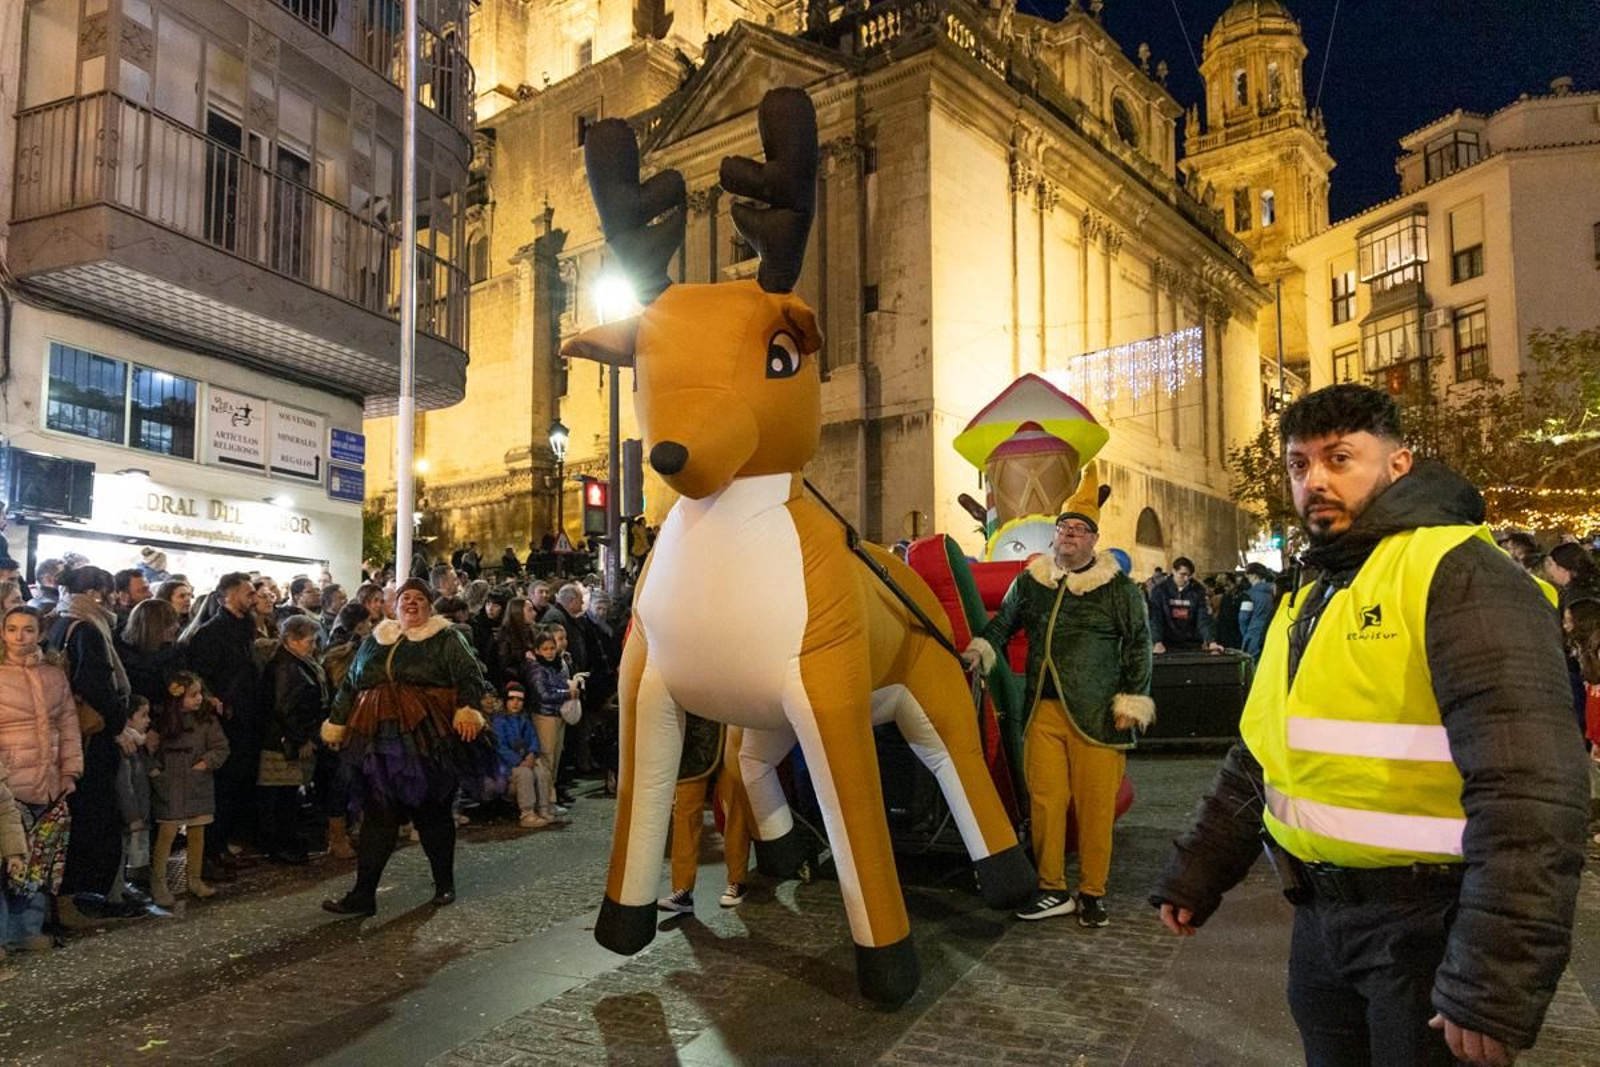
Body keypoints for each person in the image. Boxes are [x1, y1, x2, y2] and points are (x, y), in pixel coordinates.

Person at [1149, 384, 1586, 1067]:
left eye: (1340, 458)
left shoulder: (1460, 573)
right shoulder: (1318, 586)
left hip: (1429, 929)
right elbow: (1264, 752)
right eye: (1299, 465)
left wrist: (1491, 979)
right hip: (1323, 923)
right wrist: (1198, 869)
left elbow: (1530, 789)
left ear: (1399, 463)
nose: (1315, 480)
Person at [963, 497, 1153, 925]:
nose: (1069, 534)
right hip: (1042, 711)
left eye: (1078, 529)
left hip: (1097, 714)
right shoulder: (1032, 582)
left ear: (1094, 540)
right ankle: (1052, 888)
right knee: (1045, 802)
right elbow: (1004, 622)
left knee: (1095, 807)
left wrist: (1131, 700)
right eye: (1064, 527)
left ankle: (1093, 892)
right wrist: (980, 649)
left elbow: (1139, 645)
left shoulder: (1119, 589)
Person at [319, 578, 493, 916]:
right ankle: (363, 894)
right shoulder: (375, 640)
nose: (411, 603)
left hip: (426, 738)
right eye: (405, 598)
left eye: (419, 598)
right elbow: (351, 685)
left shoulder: (446, 638)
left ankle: (444, 883)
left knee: (432, 811)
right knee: (378, 814)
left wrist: (468, 709)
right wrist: (337, 722)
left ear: (429, 605)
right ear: (394, 606)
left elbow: (470, 677)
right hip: (379, 739)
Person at [49, 567, 143, 919]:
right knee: (96, 814)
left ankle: (79, 895)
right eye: (111, 591)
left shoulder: (60, 621)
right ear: (96, 593)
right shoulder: (87, 627)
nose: (116, 599)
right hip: (92, 736)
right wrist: (118, 724)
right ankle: (85, 896)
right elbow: (95, 682)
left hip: (71, 733)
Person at [0, 605, 81, 951]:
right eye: (12, 629)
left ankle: (28, 929)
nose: (20, 637)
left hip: (48, 783)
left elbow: (68, 724)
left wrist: (70, 770)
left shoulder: (54, 676)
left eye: (28, 629)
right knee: (9, 859)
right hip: (8, 782)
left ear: (40, 634)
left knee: (39, 859)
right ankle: (5, 934)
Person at [183, 573, 260, 883]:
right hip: (225, 720)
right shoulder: (211, 633)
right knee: (222, 787)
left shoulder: (246, 628)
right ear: (228, 596)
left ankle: (224, 845)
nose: (254, 597)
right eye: (248, 593)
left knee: (238, 785)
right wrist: (215, 699)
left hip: (247, 719)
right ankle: (209, 854)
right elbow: (200, 675)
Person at [148, 670, 230, 907]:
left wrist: (204, 763)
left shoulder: (207, 721)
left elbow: (221, 747)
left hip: (196, 783)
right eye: (193, 695)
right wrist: (156, 772)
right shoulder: (162, 723)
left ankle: (194, 878)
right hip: (170, 783)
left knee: (197, 832)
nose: (199, 698)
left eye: (199, 693)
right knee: (167, 832)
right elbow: (149, 750)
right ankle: (158, 881)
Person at [657, 725, 755, 913]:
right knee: (684, 812)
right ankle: (682, 889)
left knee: (735, 807)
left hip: (729, 728)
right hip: (693, 738)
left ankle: (737, 880)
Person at [259, 615, 326, 865]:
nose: (313, 646)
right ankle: (280, 845)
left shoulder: (296, 663)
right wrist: (301, 738)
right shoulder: (286, 667)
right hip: (282, 743)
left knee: (287, 795)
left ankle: (285, 842)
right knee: (281, 797)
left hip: (287, 738)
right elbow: (285, 707)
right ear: (292, 640)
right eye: (309, 641)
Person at [481, 683, 554, 828]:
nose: (515, 703)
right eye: (512, 699)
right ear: (505, 701)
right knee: (524, 773)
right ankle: (527, 814)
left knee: (540, 771)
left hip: (523, 761)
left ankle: (543, 809)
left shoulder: (524, 720)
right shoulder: (499, 721)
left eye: (519, 700)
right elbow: (500, 746)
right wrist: (519, 761)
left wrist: (532, 753)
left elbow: (533, 739)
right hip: (506, 769)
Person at [525, 626, 576, 817]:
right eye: (545, 649)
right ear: (537, 650)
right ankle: (545, 802)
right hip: (545, 717)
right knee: (547, 760)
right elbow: (543, 695)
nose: (549, 652)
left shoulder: (554, 667)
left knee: (554, 759)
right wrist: (567, 693)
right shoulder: (538, 670)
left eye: (552, 648)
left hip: (557, 715)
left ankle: (549, 801)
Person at [1147, 557, 1220, 654]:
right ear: (1173, 571)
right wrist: (1157, 641)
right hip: (1166, 644)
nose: (1186, 579)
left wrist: (1211, 641)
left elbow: (1203, 618)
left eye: (1189, 576)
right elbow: (1156, 618)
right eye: (1182, 574)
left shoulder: (1198, 591)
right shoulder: (1160, 591)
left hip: (1192, 644)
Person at [1237, 562, 1277, 664]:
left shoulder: (1249, 595)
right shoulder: (1275, 593)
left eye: (1248, 576)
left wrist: (1247, 634)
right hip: (1273, 633)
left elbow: (1243, 618)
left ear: (1254, 575)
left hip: (1254, 635)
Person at [1544, 541, 1600, 610]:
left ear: (1563, 567)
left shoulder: (1576, 598)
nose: (1547, 569)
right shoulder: (1588, 588)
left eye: (1550, 564)